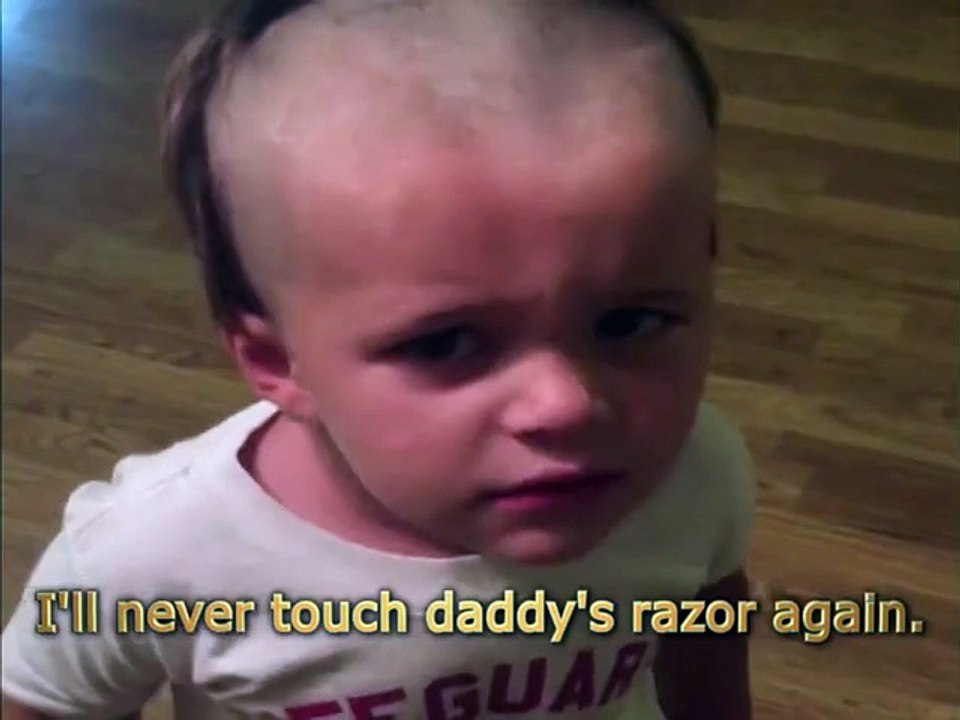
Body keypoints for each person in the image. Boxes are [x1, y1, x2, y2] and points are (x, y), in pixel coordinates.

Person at [1, 1, 756, 717]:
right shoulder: (153, 560)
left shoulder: (691, 477)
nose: (566, 403)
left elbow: (707, 627)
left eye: (632, 321)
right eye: (445, 343)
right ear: (276, 362)